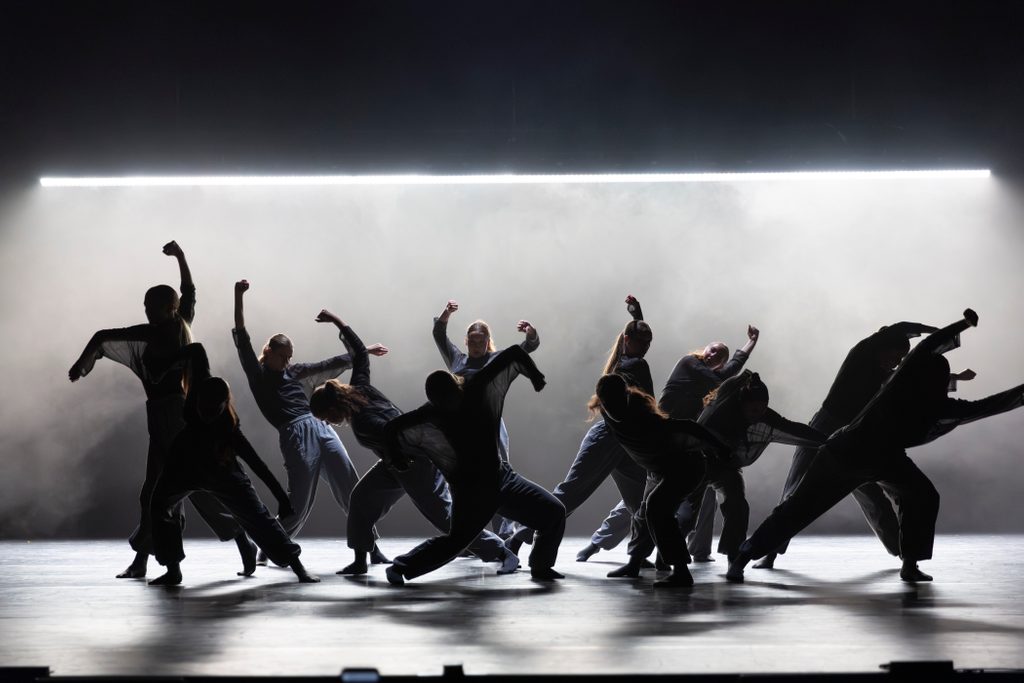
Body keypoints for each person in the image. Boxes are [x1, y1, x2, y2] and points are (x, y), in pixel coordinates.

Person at [728, 309, 1024, 584]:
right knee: (800, 504)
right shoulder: (894, 380)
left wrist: (963, 330)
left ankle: (909, 563)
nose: (898, 365)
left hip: (884, 456)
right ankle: (747, 554)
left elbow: (986, 404)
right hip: (847, 450)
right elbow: (930, 349)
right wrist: (960, 326)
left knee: (921, 494)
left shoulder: (928, 399)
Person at [69, 241, 247, 579]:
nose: (149, 311)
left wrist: (181, 257)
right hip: (159, 419)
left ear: (170, 307)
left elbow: (189, 291)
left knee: (187, 490)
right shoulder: (147, 332)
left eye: (155, 306)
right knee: (156, 492)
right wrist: (82, 363)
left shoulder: (182, 324)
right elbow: (104, 334)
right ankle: (150, 561)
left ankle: (237, 539)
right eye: (146, 305)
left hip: (180, 417)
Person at [307, 309, 516, 576]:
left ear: (332, 407)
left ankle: (501, 551)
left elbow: (397, 433)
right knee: (360, 498)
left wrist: (421, 458)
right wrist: (337, 321)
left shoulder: (364, 421)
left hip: (414, 463)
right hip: (395, 462)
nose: (326, 422)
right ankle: (361, 560)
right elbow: (360, 353)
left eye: (324, 416)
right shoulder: (361, 387)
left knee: (446, 519)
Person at [753, 321, 973, 570]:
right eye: (896, 356)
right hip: (823, 429)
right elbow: (897, 330)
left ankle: (904, 555)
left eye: (901, 359)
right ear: (883, 347)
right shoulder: (861, 356)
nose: (897, 362)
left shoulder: (886, 375)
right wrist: (945, 329)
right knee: (796, 491)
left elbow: (916, 381)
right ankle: (769, 552)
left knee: (874, 499)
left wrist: (954, 379)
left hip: (856, 439)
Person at [608, 370, 824, 577]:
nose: (758, 414)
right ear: (741, 404)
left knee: (736, 503)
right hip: (697, 462)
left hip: (725, 467)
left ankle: (734, 561)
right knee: (678, 514)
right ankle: (645, 560)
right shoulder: (720, 413)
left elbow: (793, 428)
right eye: (753, 410)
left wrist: (825, 440)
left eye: (762, 408)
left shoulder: (764, 415)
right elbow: (692, 431)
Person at [232, 280, 388, 564]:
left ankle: (371, 548)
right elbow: (242, 338)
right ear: (269, 352)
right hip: (294, 433)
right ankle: (271, 544)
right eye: (283, 357)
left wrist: (364, 350)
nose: (288, 362)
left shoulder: (296, 371)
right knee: (300, 503)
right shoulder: (258, 375)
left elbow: (328, 364)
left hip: (320, 425)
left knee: (350, 486)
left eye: (290, 357)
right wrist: (238, 296)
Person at [382, 345, 565, 584]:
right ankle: (400, 567)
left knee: (554, 512)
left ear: (457, 389)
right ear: (434, 401)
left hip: (502, 478)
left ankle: (541, 566)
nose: (448, 407)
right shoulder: (432, 411)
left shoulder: (476, 386)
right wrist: (395, 457)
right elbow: (391, 428)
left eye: (450, 400)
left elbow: (512, 353)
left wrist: (536, 375)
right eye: (441, 403)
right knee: (457, 541)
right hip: (471, 491)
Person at [579, 325, 759, 563]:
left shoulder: (711, 377)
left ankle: (697, 551)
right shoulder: (689, 363)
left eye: (720, 357)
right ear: (704, 349)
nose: (714, 355)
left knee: (702, 495)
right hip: (662, 435)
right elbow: (725, 375)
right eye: (713, 350)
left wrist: (751, 342)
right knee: (650, 499)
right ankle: (599, 544)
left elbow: (727, 373)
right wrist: (746, 350)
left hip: (681, 439)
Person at [148, 343, 318, 586]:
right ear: (198, 397)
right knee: (159, 505)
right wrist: (163, 366)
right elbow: (196, 350)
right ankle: (172, 570)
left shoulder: (229, 430)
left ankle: (298, 567)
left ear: (223, 406)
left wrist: (281, 497)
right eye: (203, 406)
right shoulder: (202, 385)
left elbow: (258, 465)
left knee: (259, 518)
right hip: (184, 464)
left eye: (214, 409)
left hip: (222, 473)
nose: (207, 412)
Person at [506, 296, 651, 555]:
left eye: (649, 342)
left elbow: (633, 336)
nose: (646, 346)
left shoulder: (624, 359)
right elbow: (647, 407)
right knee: (571, 493)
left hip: (626, 442)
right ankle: (519, 535)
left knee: (643, 499)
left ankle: (627, 552)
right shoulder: (634, 364)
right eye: (641, 341)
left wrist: (637, 315)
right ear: (628, 341)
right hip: (609, 438)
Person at [591, 373, 726, 586]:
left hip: (686, 467)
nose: (614, 408)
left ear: (625, 397)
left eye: (618, 401)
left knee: (657, 507)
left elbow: (689, 427)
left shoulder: (643, 417)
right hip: (658, 470)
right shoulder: (605, 409)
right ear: (601, 400)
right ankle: (634, 564)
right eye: (608, 403)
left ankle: (681, 571)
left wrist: (719, 447)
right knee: (644, 514)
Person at [433, 299, 539, 537]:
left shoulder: (496, 360)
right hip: (462, 429)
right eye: (473, 341)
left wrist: (531, 334)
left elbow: (527, 348)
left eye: (481, 341)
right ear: (467, 341)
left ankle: (505, 533)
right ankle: (466, 534)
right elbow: (439, 335)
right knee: (461, 480)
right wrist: (447, 313)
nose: (477, 345)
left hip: (491, 426)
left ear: (488, 341)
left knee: (497, 477)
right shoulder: (457, 361)